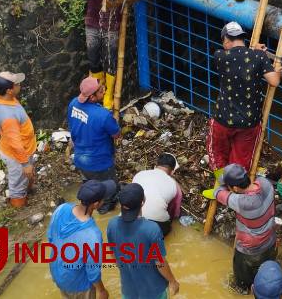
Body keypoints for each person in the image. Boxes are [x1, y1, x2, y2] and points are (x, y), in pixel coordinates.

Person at [207, 21, 282, 176]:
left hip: (223, 118)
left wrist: (253, 52)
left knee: (218, 152)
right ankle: (236, 186)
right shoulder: (259, 56)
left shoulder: (219, 56)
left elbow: (239, 60)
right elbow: (274, 81)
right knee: (241, 158)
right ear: (242, 37)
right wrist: (278, 71)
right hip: (249, 122)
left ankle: (220, 184)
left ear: (226, 40)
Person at [202, 164, 277, 292]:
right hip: (270, 241)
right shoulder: (265, 183)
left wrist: (223, 184)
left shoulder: (241, 202)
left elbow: (217, 192)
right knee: (265, 277)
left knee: (242, 286)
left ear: (235, 188)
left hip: (249, 251)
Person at [107, 183, 180, 299]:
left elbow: (113, 255)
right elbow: (160, 262)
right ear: (143, 202)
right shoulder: (152, 229)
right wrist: (173, 281)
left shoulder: (112, 224)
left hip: (128, 289)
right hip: (154, 290)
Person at [48, 180, 115, 299]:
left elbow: (51, 238)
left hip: (58, 273)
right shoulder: (92, 235)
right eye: (103, 199)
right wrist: (101, 290)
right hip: (79, 285)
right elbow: (92, 271)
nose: (104, 200)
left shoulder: (61, 209)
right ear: (96, 204)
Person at [80, 0, 128, 110]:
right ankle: (97, 91)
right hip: (92, 24)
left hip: (112, 25)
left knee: (110, 60)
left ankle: (108, 95)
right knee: (93, 58)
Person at [67, 76, 120, 214]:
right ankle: (104, 209)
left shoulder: (73, 104)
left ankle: (87, 206)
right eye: (101, 91)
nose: (104, 92)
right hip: (100, 162)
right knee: (108, 188)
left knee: (89, 183)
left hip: (80, 158)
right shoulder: (102, 115)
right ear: (92, 97)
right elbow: (116, 134)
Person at [0, 71, 36, 208]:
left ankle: (26, 191)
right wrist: (25, 164)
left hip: (21, 150)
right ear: (10, 90)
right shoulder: (8, 116)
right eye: (17, 84)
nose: (20, 85)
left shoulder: (3, 98)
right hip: (17, 156)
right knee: (17, 186)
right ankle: (19, 209)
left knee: (24, 178)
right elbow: (16, 145)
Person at [132, 152, 183, 237]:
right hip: (157, 226)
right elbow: (174, 213)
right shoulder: (174, 185)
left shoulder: (139, 175)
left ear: (155, 166)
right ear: (172, 172)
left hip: (131, 219)